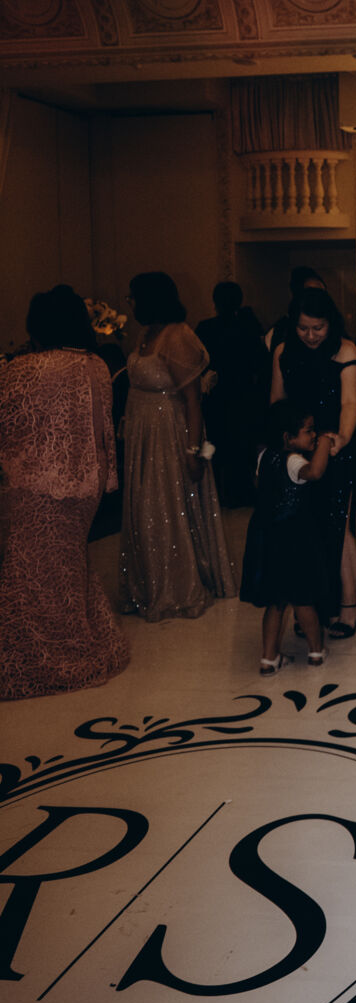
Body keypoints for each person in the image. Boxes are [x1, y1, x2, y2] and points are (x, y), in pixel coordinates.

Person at [0, 285, 131, 698]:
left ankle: (50, 657)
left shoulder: (27, 369)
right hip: (84, 486)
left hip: (39, 486)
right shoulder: (95, 364)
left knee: (32, 573)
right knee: (67, 567)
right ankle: (84, 641)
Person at [120, 271, 236, 621]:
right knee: (144, 510)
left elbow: (193, 402)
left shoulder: (177, 335)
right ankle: (148, 583)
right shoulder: (146, 334)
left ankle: (176, 585)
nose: (129, 302)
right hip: (143, 435)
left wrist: (193, 452)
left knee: (166, 507)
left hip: (169, 435)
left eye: (133, 296)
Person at [270, 287, 356, 638]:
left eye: (318, 328)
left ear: (330, 323)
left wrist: (342, 436)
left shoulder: (346, 350)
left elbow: (350, 403)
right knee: (303, 528)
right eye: (303, 328)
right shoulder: (283, 351)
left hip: (335, 444)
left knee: (339, 525)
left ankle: (350, 603)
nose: (310, 336)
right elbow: (277, 402)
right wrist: (280, 449)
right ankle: (310, 606)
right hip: (296, 449)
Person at [239, 398, 337, 673]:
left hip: (268, 538)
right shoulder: (293, 460)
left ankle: (268, 658)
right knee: (302, 599)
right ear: (288, 438)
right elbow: (315, 472)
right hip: (294, 541)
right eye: (308, 431)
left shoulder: (264, 456)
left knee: (275, 602)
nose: (313, 434)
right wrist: (326, 442)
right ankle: (316, 652)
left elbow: (261, 484)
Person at [196, 280, 268, 507]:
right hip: (242, 396)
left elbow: (198, 361)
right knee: (241, 446)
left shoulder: (206, 328)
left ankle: (213, 491)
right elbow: (260, 363)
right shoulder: (248, 327)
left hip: (216, 395)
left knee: (214, 443)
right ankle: (241, 490)